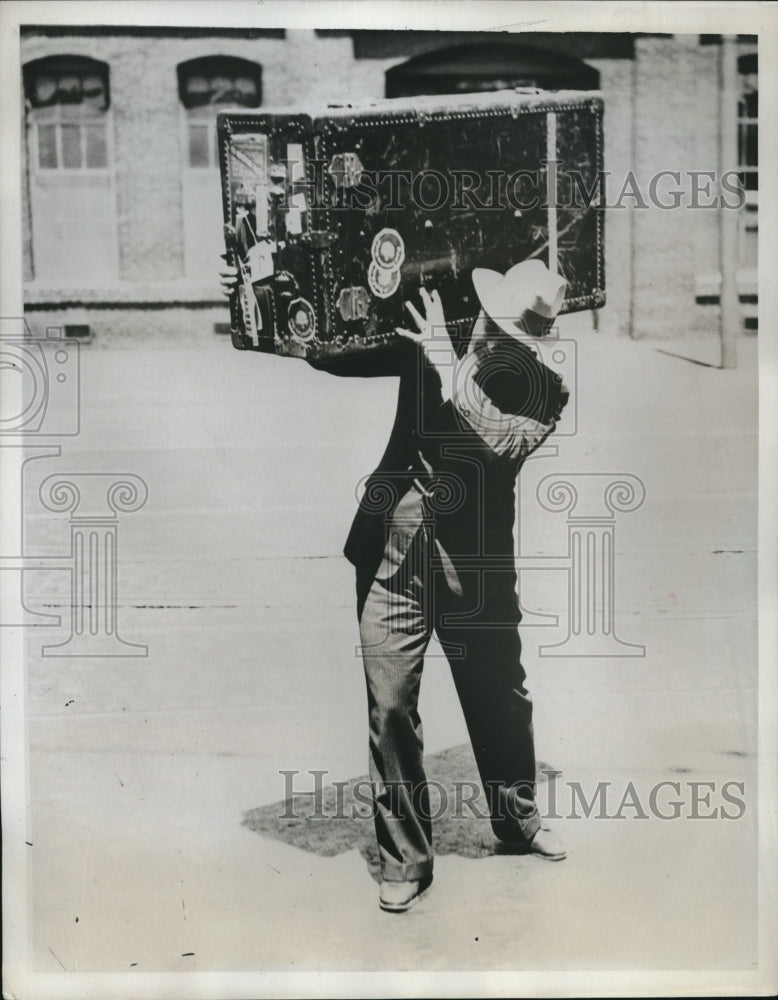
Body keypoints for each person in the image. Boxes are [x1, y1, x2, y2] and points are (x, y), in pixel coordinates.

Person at [219, 258, 569, 913]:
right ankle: (405, 859)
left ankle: (517, 819)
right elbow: (343, 350)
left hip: (475, 563)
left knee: (502, 697)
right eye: (489, 328)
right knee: (390, 710)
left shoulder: (548, 389)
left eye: (507, 337)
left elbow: (497, 443)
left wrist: (442, 357)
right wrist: (270, 315)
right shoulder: (444, 333)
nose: (490, 341)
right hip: (392, 546)